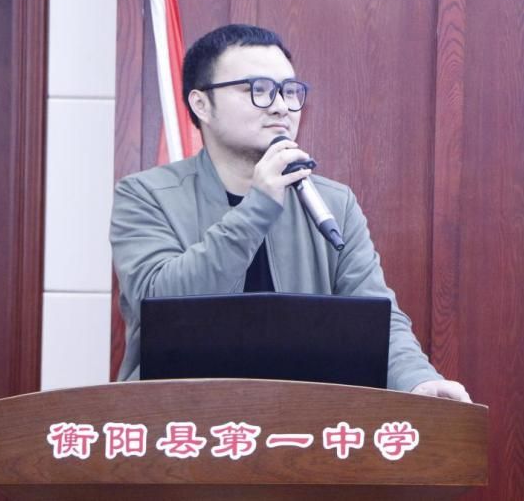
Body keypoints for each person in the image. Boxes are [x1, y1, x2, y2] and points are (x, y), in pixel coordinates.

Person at [110, 24, 470, 401]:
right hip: (182, 419)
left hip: (299, 420)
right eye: (258, 89)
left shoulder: (333, 203)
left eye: (289, 90)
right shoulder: (145, 195)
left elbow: (377, 317)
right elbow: (161, 306)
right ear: (202, 104)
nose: (281, 106)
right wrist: (257, 207)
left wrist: (418, 380)